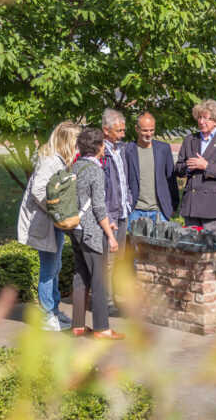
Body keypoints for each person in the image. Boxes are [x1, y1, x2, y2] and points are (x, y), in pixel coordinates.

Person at [17, 121, 80, 331]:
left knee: (56, 266)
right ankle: (46, 315)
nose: (78, 145)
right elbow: (37, 190)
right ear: (67, 141)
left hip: (52, 222)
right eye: (75, 141)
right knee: (49, 269)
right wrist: (55, 210)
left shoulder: (59, 160)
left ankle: (53, 310)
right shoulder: (50, 161)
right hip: (45, 223)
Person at [69, 127, 124, 340]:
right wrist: (110, 235)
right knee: (99, 279)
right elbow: (99, 208)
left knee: (80, 276)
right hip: (92, 232)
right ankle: (102, 328)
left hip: (76, 229)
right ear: (100, 146)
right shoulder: (95, 170)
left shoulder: (76, 167)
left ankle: (78, 326)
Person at [175, 99, 216, 234]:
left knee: (211, 250)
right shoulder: (190, 140)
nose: (201, 121)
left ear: (215, 120)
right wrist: (188, 167)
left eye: (206, 118)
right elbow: (178, 168)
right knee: (191, 249)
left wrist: (206, 166)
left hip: (214, 206)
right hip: (192, 205)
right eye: (199, 118)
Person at [101, 108, 132, 313]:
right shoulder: (101, 152)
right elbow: (100, 189)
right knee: (108, 261)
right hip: (109, 216)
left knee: (119, 259)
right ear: (106, 130)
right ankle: (106, 301)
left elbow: (125, 179)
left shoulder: (121, 149)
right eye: (118, 131)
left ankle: (116, 298)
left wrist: (128, 201)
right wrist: (108, 215)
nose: (122, 135)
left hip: (123, 213)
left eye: (123, 130)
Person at [126, 112, 179, 227]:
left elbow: (171, 178)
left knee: (161, 245)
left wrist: (173, 205)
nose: (149, 134)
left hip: (160, 211)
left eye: (152, 130)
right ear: (136, 129)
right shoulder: (128, 150)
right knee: (136, 245)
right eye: (145, 130)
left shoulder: (163, 148)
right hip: (135, 210)